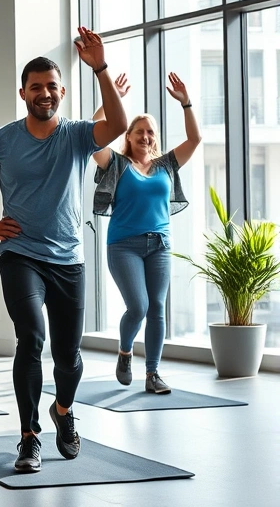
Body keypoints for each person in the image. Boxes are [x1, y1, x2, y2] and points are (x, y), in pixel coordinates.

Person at [0, 27, 128, 473]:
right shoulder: (1, 140)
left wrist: (100, 68)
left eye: (51, 87)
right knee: (31, 338)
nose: (44, 93)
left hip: (69, 260)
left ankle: (63, 413)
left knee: (68, 357)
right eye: (36, 87)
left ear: (62, 92)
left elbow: (119, 125)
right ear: (23, 93)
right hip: (20, 254)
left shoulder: (76, 135)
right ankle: (29, 436)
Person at [92, 72, 201, 395]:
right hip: (123, 245)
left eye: (150, 132)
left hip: (160, 245)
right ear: (129, 135)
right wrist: (109, 105)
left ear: (155, 137)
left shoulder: (166, 164)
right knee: (137, 306)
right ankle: (125, 352)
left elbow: (195, 140)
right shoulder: (116, 163)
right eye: (139, 131)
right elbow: (91, 139)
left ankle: (152, 373)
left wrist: (186, 103)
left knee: (157, 307)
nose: (145, 136)